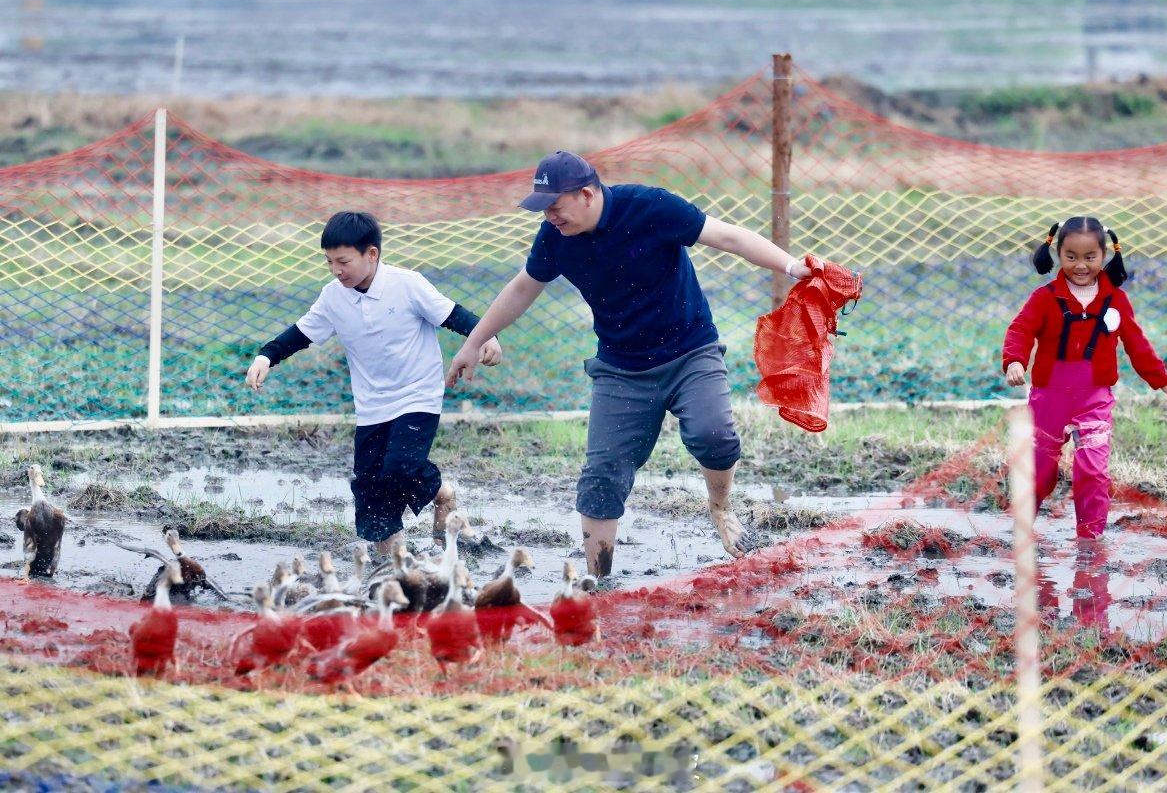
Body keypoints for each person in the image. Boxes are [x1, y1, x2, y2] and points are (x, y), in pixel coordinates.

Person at [446, 150, 818, 577]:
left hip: (690, 352)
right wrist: (473, 342)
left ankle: (720, 506)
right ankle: (597, 581)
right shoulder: (555, 237)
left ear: (586, 195)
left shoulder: (650, 207)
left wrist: (792, 266)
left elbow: (728, 237)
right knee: (602, 477)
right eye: (543, 209)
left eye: (555, 207)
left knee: (713, 434)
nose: (549, 217)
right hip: (621, 369)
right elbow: (522, 288)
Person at [245, 211, 501, 554]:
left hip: (417, 396)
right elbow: (301, 333)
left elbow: (453, 314)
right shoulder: (333, 296)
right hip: (371, 405)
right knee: (369, 488)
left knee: (400, 468)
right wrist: (266, 357)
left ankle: (444, 493)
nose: (336, 270)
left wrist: (486, 336)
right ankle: (392, 562)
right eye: (329, 262)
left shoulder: (407, 284)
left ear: (371, 254)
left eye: (343, 261)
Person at [1003, 216, 1167, 539]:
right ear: (1058, 253)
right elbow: (1021, 330)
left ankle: (1090, 537)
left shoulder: (1116, 300)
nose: (1081, 265)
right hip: (1049, 398)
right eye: (1071, 256)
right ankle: (1021, 527)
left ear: (1104, 255)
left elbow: (1137, 344)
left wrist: (1161, 378)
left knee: (1092, 469)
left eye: (1090, 257)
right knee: (1040, 470)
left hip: (1094, 399)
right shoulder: (1045, 297)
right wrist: (1015, 360)